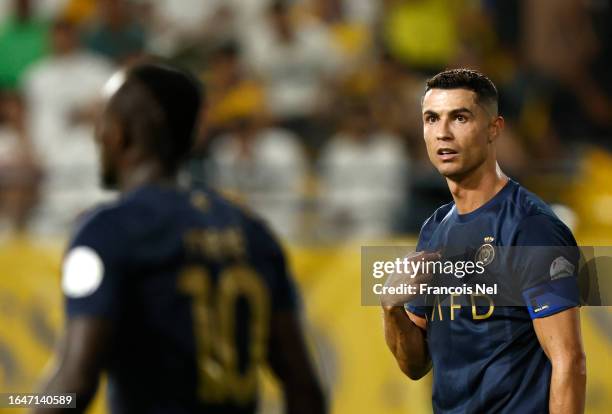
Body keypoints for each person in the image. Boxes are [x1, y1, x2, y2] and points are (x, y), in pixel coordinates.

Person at [35, 63, 326, 414]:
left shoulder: (108, 230)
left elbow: (74, 383)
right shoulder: (253, 232)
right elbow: (305, 389)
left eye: (102, 121)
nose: (97, 134)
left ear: (120, 133)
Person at [381, 69, 586, 413]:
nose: (443, 133)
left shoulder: (531, 228)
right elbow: (415, 366)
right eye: (431, 119)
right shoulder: (434, 229)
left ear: (494, 129)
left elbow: (569, 361)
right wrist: (391, 309)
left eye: (459, 117)